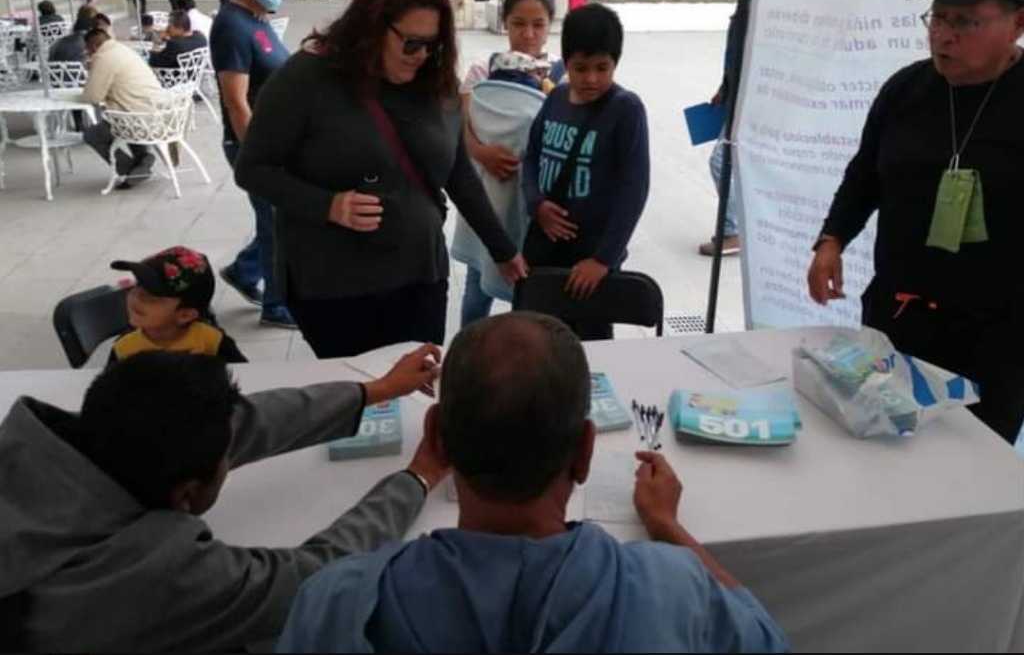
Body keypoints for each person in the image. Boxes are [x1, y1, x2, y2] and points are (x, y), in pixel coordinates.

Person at [278, 312, 789, 653]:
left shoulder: (337, 603)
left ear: (436, 436)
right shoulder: (672, 588)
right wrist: (668, 526)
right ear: (585, 451)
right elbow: (767, 640)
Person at [0, 347, 447, 652]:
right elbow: (311, 576)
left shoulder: (60, 441)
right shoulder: (155, 577)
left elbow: (245, 423)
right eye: (224, 461)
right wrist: (419, 477)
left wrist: (375, 391)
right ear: (186, 495)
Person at [235, 0, 528, 358]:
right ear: (373, 27)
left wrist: (503, 248)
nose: (422, 54)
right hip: (334, 286)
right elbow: (253, 169)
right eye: (411, 43)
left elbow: (456, 169)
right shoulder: (307, 78)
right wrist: (328, 205)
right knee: (358, 398)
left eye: (434, 44)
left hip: (419, 276)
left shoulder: (432, 78)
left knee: (417, 390)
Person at [807, 0, 1024, 445]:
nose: (942, 35)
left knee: (972, 474)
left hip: (995, 337)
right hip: (899, 319)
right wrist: (832, 239)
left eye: (965, 21)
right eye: (937, 17)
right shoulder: (906, 90)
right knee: (883, 450)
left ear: (1016, 24)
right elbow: (865, 175)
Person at [521, 3, 650, 340]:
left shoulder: (626, 109)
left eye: (602, 68)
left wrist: (603, 260)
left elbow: (633, 191)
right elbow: (531, 157)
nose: (591, 79)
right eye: (580, 68)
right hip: (545, 251)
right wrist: (536, 204)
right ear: (566, 62)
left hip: (592, 259)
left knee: (590, 349)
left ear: (615, 63)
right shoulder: (556, 98)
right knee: (538, 341)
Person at [455, 0, 563, 327]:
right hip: (489, 195)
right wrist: (482, 153)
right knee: (478, 282)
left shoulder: (560, 76)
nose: (528, 34)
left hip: (534, 201)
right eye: (519, 23)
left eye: (538, 25)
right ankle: (469, 350)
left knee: (530, 285)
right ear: (505, 22)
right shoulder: (482, 70)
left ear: (550, 26)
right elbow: (462, 128)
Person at [209, 0, 295, 330]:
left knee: (279, 215)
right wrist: (257, 156)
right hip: (254, 146)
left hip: (279, 142)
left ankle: (245, 272)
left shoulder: (258, 21)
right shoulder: (231, 26)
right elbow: (236, 101)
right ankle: (276, 305)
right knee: (276, 220)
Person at [107, 246, 246, 365]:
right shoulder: (124, 347)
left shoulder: (212, 341)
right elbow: (109, 391)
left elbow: (244, 377)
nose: (136, 296)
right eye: (138, 285)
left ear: (184, 315)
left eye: (152, 297)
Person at [700, 0, 744, 258]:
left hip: (749, 105)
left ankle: (732, 231)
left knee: (721, 161)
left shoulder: (761, 9)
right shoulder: (745, 6)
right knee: (730, 164)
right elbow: (736, 58)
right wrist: (723, 88)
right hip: (735, 99)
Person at [81, 27, 163, 189]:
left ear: (93, 47)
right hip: (157, 113)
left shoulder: (104, 58)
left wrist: (92, 69)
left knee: (93, 134)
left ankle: (129, 169)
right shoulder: (123, 49)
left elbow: (92, 97)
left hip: (137, 119)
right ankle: (142, 158)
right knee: (123, 115)